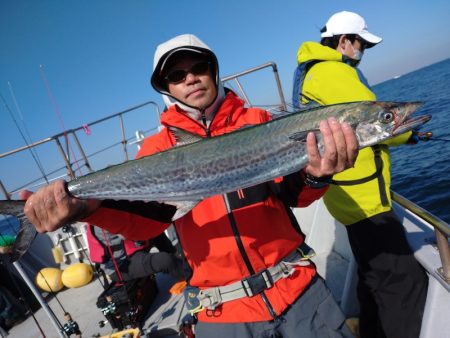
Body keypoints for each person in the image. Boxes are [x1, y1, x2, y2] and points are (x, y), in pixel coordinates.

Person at [21, 33, 359, 338]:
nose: (191, 78)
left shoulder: (260, 122)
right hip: (222, 312)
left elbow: (293, 196)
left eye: (198, 66)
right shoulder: (154, 151)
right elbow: (147, 224)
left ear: (213, 69)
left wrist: (318, 176)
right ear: (166, 88)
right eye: (176, 75)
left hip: (297, 290)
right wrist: (86, 209)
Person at [292, 11, 428, 338]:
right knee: (405, 284)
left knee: (373, 279)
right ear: (344, 42)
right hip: (365, 201)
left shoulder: (312, 71)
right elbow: (376, 121)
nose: (362, 51)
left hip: (348, 197)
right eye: (361, 44)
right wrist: (408, 134)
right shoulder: (333, 72)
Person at [86, 224, 184, 283]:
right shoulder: (103, 216)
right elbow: (133, 233)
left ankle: (177, 258)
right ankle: (190, 276)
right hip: (121, 266)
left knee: (155, 231)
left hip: (131, 250)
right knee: (164, 260)